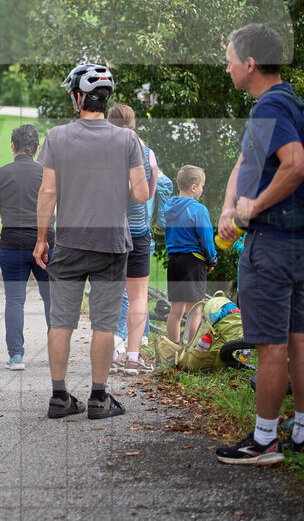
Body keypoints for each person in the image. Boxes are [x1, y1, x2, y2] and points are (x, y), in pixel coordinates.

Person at [35, 63, 148, 420]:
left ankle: (59, 397)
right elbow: (141, 194)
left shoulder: (56, 137)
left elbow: (48, 191)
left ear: (78, 97)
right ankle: (99, 399)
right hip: (112, 245)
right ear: (104, 99)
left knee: (61, 321)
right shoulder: (127, 139)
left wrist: (41, 238)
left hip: (69, 242)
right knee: (103, 322)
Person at [215, 24, 304, 465]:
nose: (227, 65)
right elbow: (246, 162)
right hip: (296, 243)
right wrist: (231, 206)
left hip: (273, 244)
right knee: (298, 337)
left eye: (230, 58)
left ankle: (265, 440)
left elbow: (294, 166)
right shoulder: (288, 105)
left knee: (271, 344)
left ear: (250, 65)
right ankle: (301, 431)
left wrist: (252, 209)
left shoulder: (270, 107)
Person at [0, 124, 53, 371]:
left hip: (12, 243)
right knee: (50, 299)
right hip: (45, 242)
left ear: (12, 146)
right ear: (36, 149)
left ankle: (16, 356)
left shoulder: (1, 174)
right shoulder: (47, 173)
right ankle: (56, 353)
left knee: (14, 300)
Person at [107, 104, 159, 375]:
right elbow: (149, 194)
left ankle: (113, 353)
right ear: (134, 123)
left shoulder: (102, 153)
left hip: (110, 233)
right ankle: (133, 357)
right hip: (138, 232)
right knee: (138, 296)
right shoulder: (147, 154)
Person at [163, 165, 217, 343]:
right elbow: (207, 238)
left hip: (174, 260)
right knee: (195, 310)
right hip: (193, 261)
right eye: (202, 186)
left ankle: (174, 347)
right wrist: (212, 260)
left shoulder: (169, 207)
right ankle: (190, 349)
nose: (202, 190)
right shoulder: (198, 209)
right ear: (193, 187)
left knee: (175, 309)